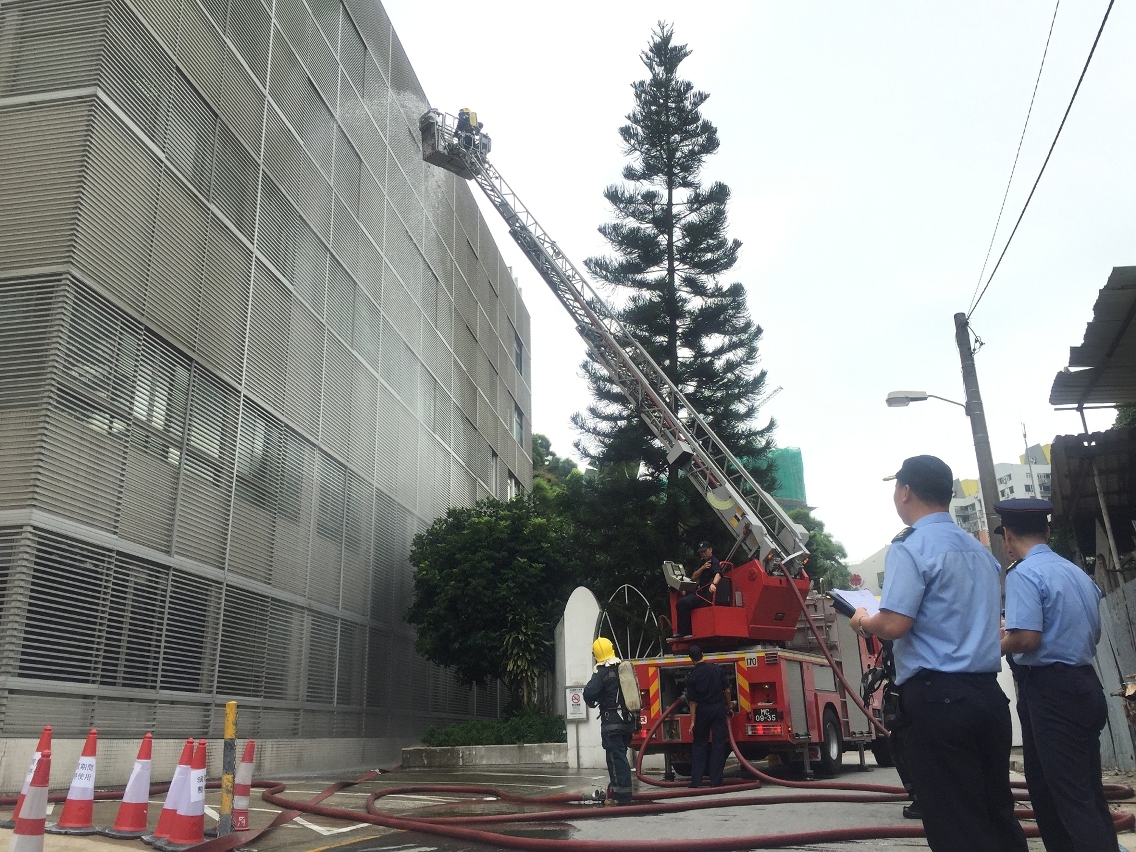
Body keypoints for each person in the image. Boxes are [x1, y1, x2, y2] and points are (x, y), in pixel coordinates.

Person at [852, 455, 1027, 852]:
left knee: (953, 821)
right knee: (996, 811)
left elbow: (895, 625)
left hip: (938, 700)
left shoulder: (910, 547)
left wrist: (863, 619)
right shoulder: (979, 551)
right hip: (987, 697)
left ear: (906, 491)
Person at [997, 498, 1116, 852]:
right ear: (1047, 531)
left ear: (1007, 535)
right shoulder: (1075, 572)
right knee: (1081, 793)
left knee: (1067, 800)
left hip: (1051, 691)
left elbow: (1027, 639)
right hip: (1083, 683)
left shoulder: (1023, 573)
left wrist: (991, 643)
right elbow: (1090, 634)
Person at [582, 637, 635, 805]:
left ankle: (622, 795)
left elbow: (589, 693)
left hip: (612, 722)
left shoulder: (602, 672)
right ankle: (618, 788)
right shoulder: (622, 668)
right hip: (628, 721)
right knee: (620, 755)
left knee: (615, 757)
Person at [685, 645, 731, 787]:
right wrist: (729, 707)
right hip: (718, 708)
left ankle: (696, 780)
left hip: (702, 710)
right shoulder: (717, 669)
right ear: (703, 654)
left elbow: (692, 701)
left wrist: (693, 721)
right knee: (719, 744)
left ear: (691, 659)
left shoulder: (692, 676)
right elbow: (727, 690)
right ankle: (715, 781)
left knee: (699, 744)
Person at [674, 541, 721, 638]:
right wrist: (702, 568)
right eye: (701, 552)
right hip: (700, 591)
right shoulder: (702, 562)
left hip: (704, 594)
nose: (703, 553)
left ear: (710, 550)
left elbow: (718, 574)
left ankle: (684, 632)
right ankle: (689, 627)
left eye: (705, 551)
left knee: (681, 603)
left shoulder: (714, 562)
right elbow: (694, 576)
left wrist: (714, 584)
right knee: (686, 594)